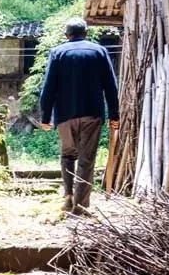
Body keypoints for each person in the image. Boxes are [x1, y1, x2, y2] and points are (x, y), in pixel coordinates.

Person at [39, 17, 119, 214]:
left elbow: (48, 87)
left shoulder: (57, 52)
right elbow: (111, 86)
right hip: (92, 113)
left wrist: (45, 117)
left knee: (68, 155)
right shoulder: (99, 51)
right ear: (86, 34)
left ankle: (68, 197)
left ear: (67, 36)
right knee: (86, 159)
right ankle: (80, 207)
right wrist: (114, 114)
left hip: (65, 116)